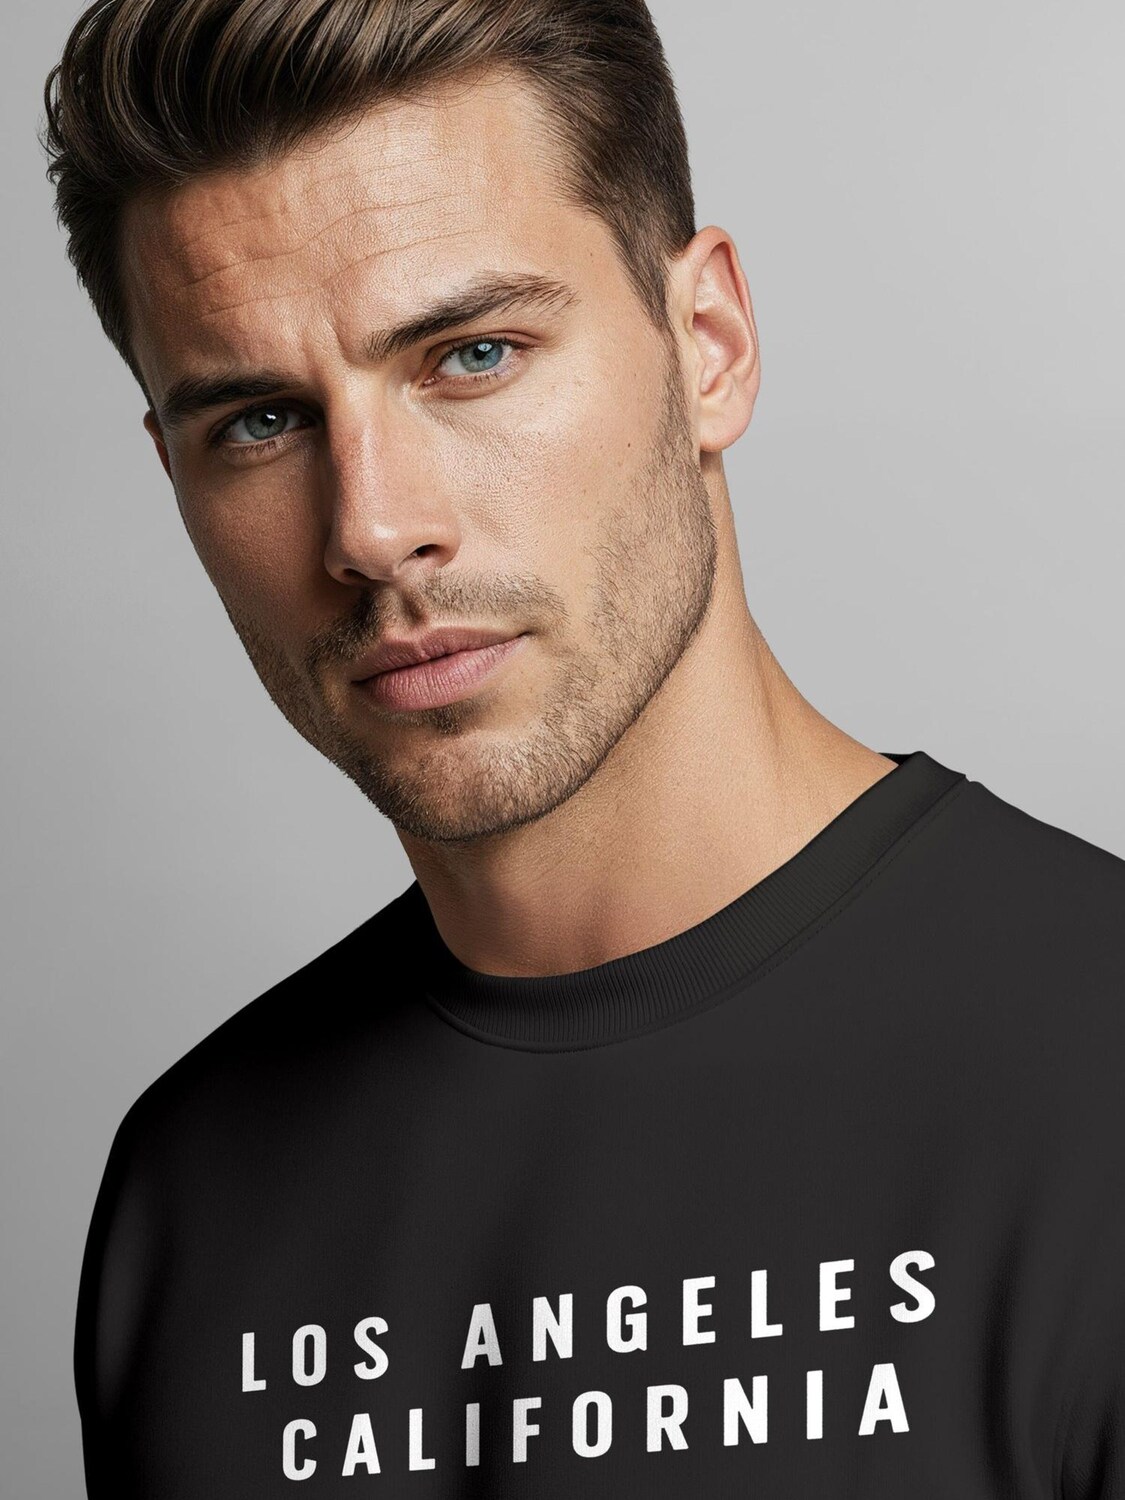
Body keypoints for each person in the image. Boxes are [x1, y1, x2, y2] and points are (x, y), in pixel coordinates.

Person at [41, 0, 1125, 1495]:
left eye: (473, 354)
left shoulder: (1093, 1074)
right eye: (261, 423)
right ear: (174, 473)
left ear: (708, 347)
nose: (372, 527)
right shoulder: (195, 1192)